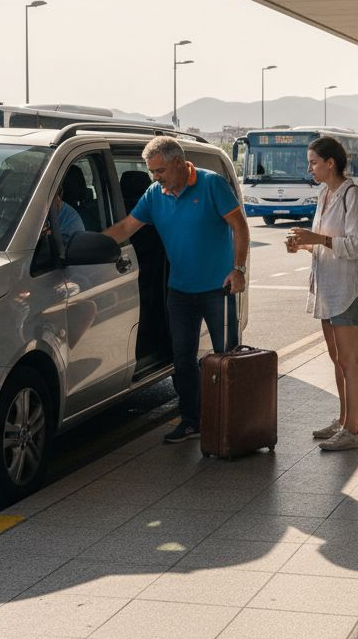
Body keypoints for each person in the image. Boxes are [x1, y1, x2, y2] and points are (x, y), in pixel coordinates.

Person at [103, 136, 250, 444]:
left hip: (218, 290)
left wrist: (238, 269)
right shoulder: (155, 194)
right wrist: (90, 244)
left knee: (227, 358)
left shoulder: (211, 185)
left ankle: (236, 422)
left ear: (179, 164)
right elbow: (126, 228)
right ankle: (191, 421)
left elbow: (240, 226)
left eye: (159, 171)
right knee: (182, 360)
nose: (155, 178)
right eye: (151, 172)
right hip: (180, 292)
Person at [285, 136, 358, 452]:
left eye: (313, 162)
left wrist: (317, 239)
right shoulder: (325, 194)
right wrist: (304, 244)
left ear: (330, 163)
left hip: (349, 288)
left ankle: (352, 430)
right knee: (337, 358)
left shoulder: (354, 197)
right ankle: (343, 420)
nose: (309, 167)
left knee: (350, 360)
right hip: (328, 287)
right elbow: (327, 244)